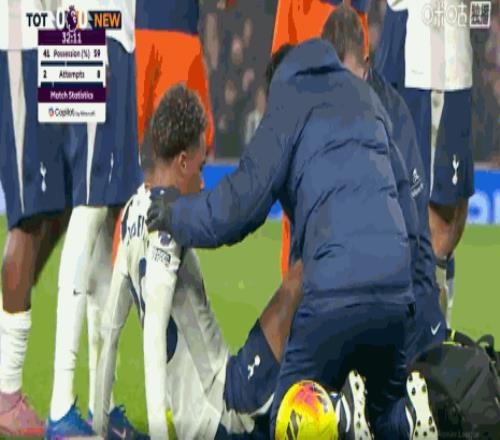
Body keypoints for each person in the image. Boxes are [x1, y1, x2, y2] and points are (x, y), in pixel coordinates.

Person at [145, 28, 432, 440]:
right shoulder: (367, 98)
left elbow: (239, 205)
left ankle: (341, 414)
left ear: (274, 84)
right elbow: (409, 210)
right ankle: (393, 417)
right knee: (387, 417)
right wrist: (413, 301)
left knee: (289, 418)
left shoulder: (288, 100)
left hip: (335, 292)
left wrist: (175, 214)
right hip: (394, 294)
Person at [93, 85, 312, 439]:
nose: (201, 180)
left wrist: (98, 426)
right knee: (302, 273)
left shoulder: (134, 209)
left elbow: (110, 328)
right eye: (200, 166)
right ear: (182, 162)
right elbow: (153, 338)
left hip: (201, 407)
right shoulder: (166, 229)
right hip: (223, 408)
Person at [46, 1, 145, 438]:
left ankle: (99, 409)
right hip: (83, 33)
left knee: (107, 220)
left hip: (118, 38)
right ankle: (59, 408)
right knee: (87, 210)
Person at [375, 0, 475, 326]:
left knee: (452, 218)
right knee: (437, 224)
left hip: (449, 61)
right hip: (429, 64)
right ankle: (426, 338)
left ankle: (433, 333)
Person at [0, 2, 70, 436]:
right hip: (21, 35)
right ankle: (6, 393)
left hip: (64, 37)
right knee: (29, 213)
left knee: (64, 203)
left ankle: (9, 310)